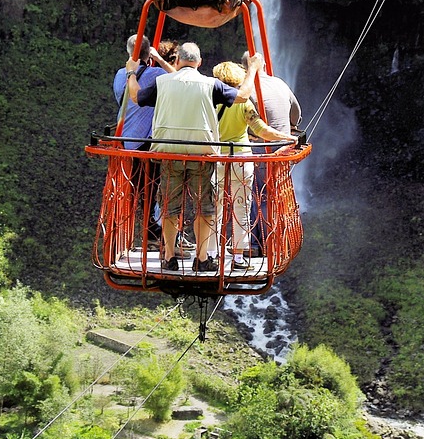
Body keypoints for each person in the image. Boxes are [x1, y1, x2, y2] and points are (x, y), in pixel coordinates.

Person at [129, 42, 263, 273]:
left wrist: (131, 71)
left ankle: (169, 256)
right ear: (199, 63)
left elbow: (136, 97)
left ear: (178, 60)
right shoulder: (210, 84)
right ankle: (202, 259)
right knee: (205, 207)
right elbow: (243, 95)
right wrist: (252, 69)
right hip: (202, 156)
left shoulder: (162, 83)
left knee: (170, 207)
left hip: (169, 155)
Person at [211, 61, 293, 269]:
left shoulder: (209, 102)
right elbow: (263, 131)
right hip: (241, 160)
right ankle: (238, 258)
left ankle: (210, 254)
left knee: (214, 208)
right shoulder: (244, 104)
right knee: (242, 207)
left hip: (216, 159)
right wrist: (287, 138)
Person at [112, 36, 177, 250]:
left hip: (124, 140)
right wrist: (159, 60)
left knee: (135, 188)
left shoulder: (120, 75)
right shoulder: (157, 74)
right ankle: (152, 229)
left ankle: (133, 230)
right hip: (144, 142)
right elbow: (182, 81)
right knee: (152, 187)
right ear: (150, 53)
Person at [242, 53, 301, 255]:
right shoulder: (281, 83)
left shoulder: (246, 91)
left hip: (261, 151)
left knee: (255, 194)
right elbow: (296, 113)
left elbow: (246, 120)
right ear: (265, 66)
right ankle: (274, 239)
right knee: (272, 193)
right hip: (283, 151)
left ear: (245, 69)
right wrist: (291, 127)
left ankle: (256, 244)